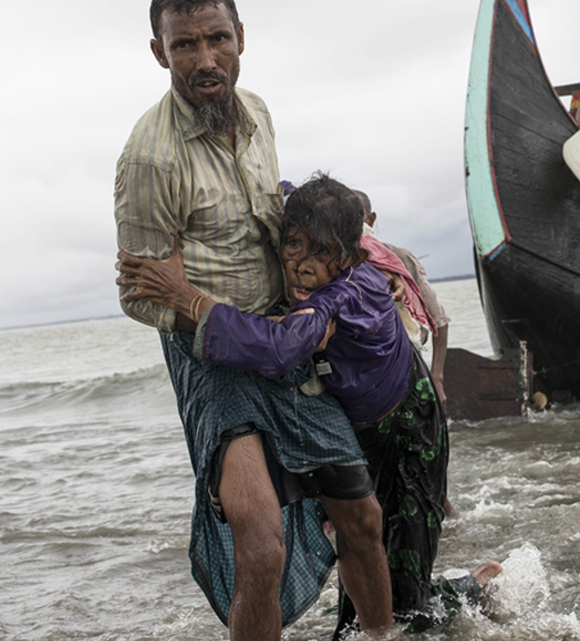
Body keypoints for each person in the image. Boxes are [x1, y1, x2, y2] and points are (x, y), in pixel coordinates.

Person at [117, 174, 502, 637]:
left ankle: (478, 587)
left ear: (351, 258)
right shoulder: (326, 269)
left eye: (323, 254)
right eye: (294, 245)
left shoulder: (342, 296)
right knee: (359, 599)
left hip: (409, 429)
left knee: (407, 601)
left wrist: (190, 300)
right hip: (364, 432)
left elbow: (277, 348)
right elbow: (277, 191)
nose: (303, 266)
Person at [113, 2, 391, 639]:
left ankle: (384, 635)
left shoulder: (259, 113)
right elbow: (141, 294)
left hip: (285, 337)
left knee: (362, 516)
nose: (206, 60)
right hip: (211, 357)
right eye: (185, 46)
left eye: (217, 39)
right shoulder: (149, 160)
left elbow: (274, 219)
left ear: (241, 38)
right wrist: (202, 310)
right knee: (261, 547)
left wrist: (337, 243)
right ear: (160, 53)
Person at [354, 190, 451, 406]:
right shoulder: (336, 263)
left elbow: (439, 321)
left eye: (356, 217)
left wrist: (437, 378)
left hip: (406, 367)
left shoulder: (400, 259)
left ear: (370, 219)